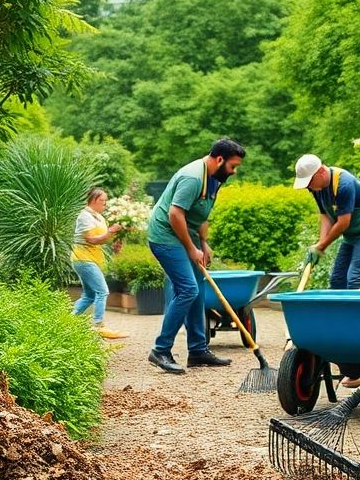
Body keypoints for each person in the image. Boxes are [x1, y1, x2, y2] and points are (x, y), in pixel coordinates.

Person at [145, 138, 245, 374]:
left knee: (198, 290)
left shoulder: (214, 179)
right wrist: (191, 248)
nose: (234, 171)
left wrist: (203, 243)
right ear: (219, 160)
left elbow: (202, 214)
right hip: (165, 237)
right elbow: (175, 214)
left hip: (184, 236)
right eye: (232, 166)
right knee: (188, 289)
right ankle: (160, 350)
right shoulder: (193, 177)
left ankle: (198, 350)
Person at [292, 154, 360, 291]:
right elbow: (325, 215)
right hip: (352, 235)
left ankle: (359, 312)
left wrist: (322, 246)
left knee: (355, 278)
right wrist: (320, 245)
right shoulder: (316, 188)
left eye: (309, 182)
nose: (307, 187)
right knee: (337, 279)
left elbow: (343, 223)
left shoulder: (343, 184)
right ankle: (339, 312)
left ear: (320, 171)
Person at [71, 187, 129, 340]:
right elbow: (91, 239)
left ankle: (68, 321)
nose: (105, 204)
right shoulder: (85, 216)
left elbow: (102, 238)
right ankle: (98, 326)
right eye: (102, 200)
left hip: (92, 259)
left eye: (105, 201)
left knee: (89, 295)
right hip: (83, 258)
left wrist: (115, 240)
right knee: (102, 291)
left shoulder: (99, 217)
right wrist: (111, 232)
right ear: (93, 200)